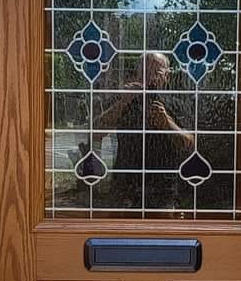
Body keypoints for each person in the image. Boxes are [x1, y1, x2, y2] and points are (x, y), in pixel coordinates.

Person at [78, 51, 192, 209]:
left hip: (163, 189)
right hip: (124, 188)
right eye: (145, 73)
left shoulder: (176, 104)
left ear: (167, 77)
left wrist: (167, 123)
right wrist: (124, 101)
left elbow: (188, 144)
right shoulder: (124, 100)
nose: (150, 78)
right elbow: (96, 132)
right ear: (137, 74)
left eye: (156, 73)